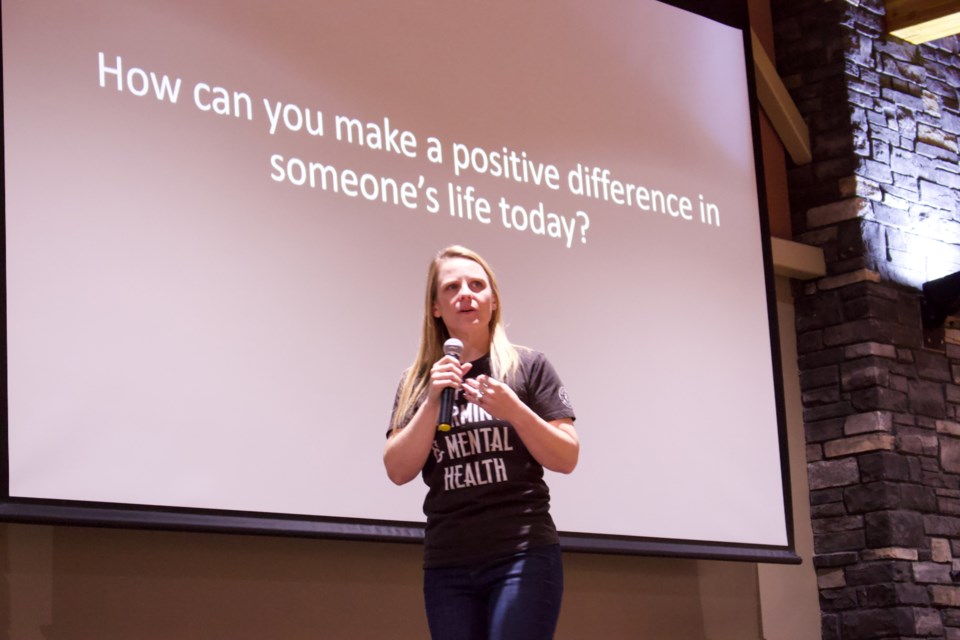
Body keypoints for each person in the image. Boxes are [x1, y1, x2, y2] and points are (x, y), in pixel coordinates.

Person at [383, 245, 579, 640]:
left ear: (493, 302)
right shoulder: (419, 381)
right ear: (436, 307)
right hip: (447, 565)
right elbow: (397, 470)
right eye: (452, 287)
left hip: (522, 554)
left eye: (477, 285)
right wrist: (433, 399)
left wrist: (516, 410)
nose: (466, 294)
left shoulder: (529, 366)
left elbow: (567, 456)